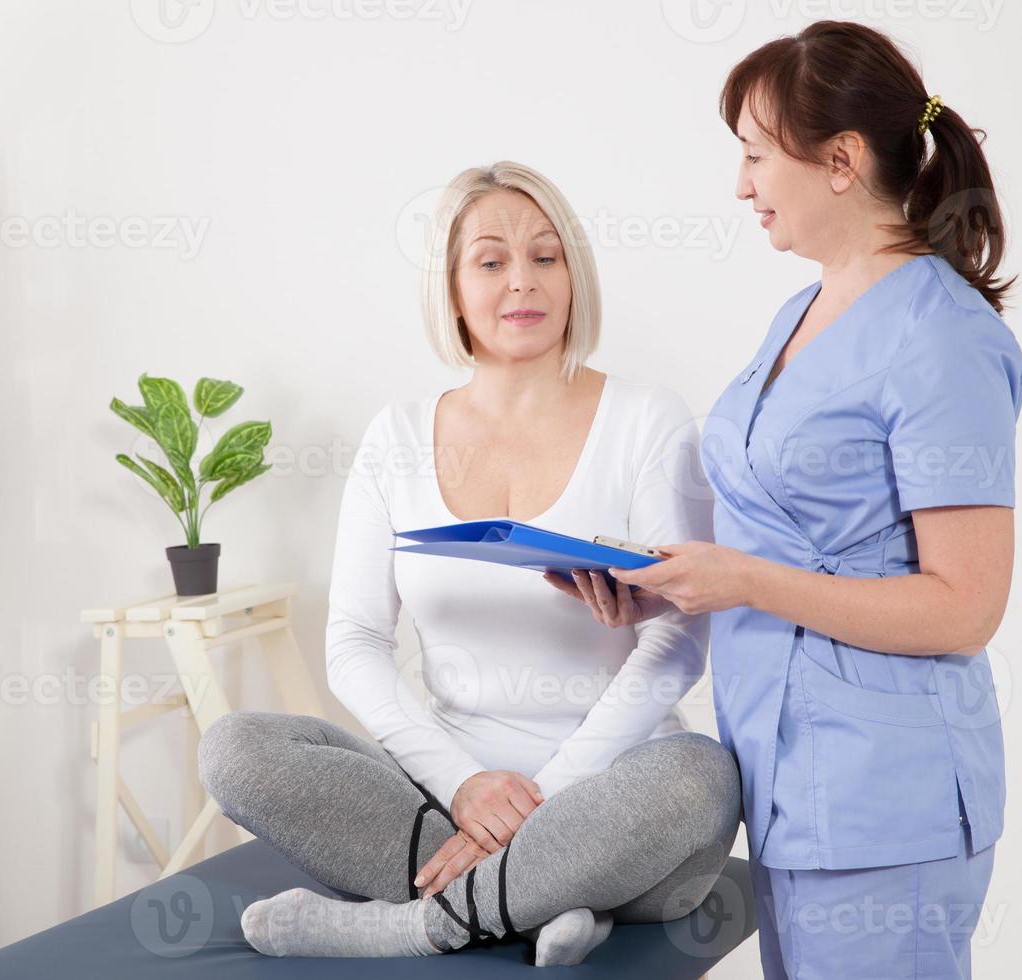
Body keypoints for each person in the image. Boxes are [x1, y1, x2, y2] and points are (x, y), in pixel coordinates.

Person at [551, 22, 1022, 979]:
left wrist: (747, 582)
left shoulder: (942, 340)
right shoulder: (803, 312)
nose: (741, 184)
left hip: (884, 801)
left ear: (841, 160)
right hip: (786, 782)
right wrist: (665, 585)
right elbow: (788, 533)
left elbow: (966, 604)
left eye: (757, 154)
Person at [196, 161, 740, 963]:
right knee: (234, 748)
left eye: (547, 257)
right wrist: (461, 785)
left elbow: (679, 638)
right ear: (451, 288)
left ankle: (421, 924)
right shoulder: (396, 437)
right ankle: (540, 903)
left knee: (703, 777)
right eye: (491, 261)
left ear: (573, 275)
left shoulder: (647, 420)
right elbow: (352, 640)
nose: (524, 281)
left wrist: (544, 804)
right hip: (448, 799)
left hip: (615, 797)